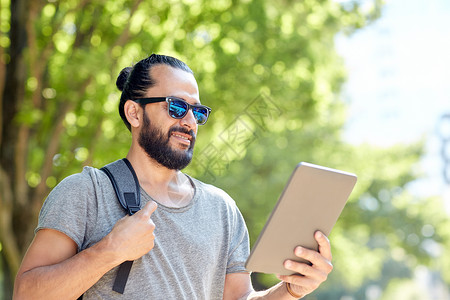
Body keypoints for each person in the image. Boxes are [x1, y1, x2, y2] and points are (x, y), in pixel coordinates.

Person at [13, 54, 333, 300]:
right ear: (135, 113)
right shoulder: (85, 191)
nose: (191, 121)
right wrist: (108, 251)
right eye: (177, 107)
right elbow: (26, 294)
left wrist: (290, 290)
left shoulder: (222, 209)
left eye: (198, 111)